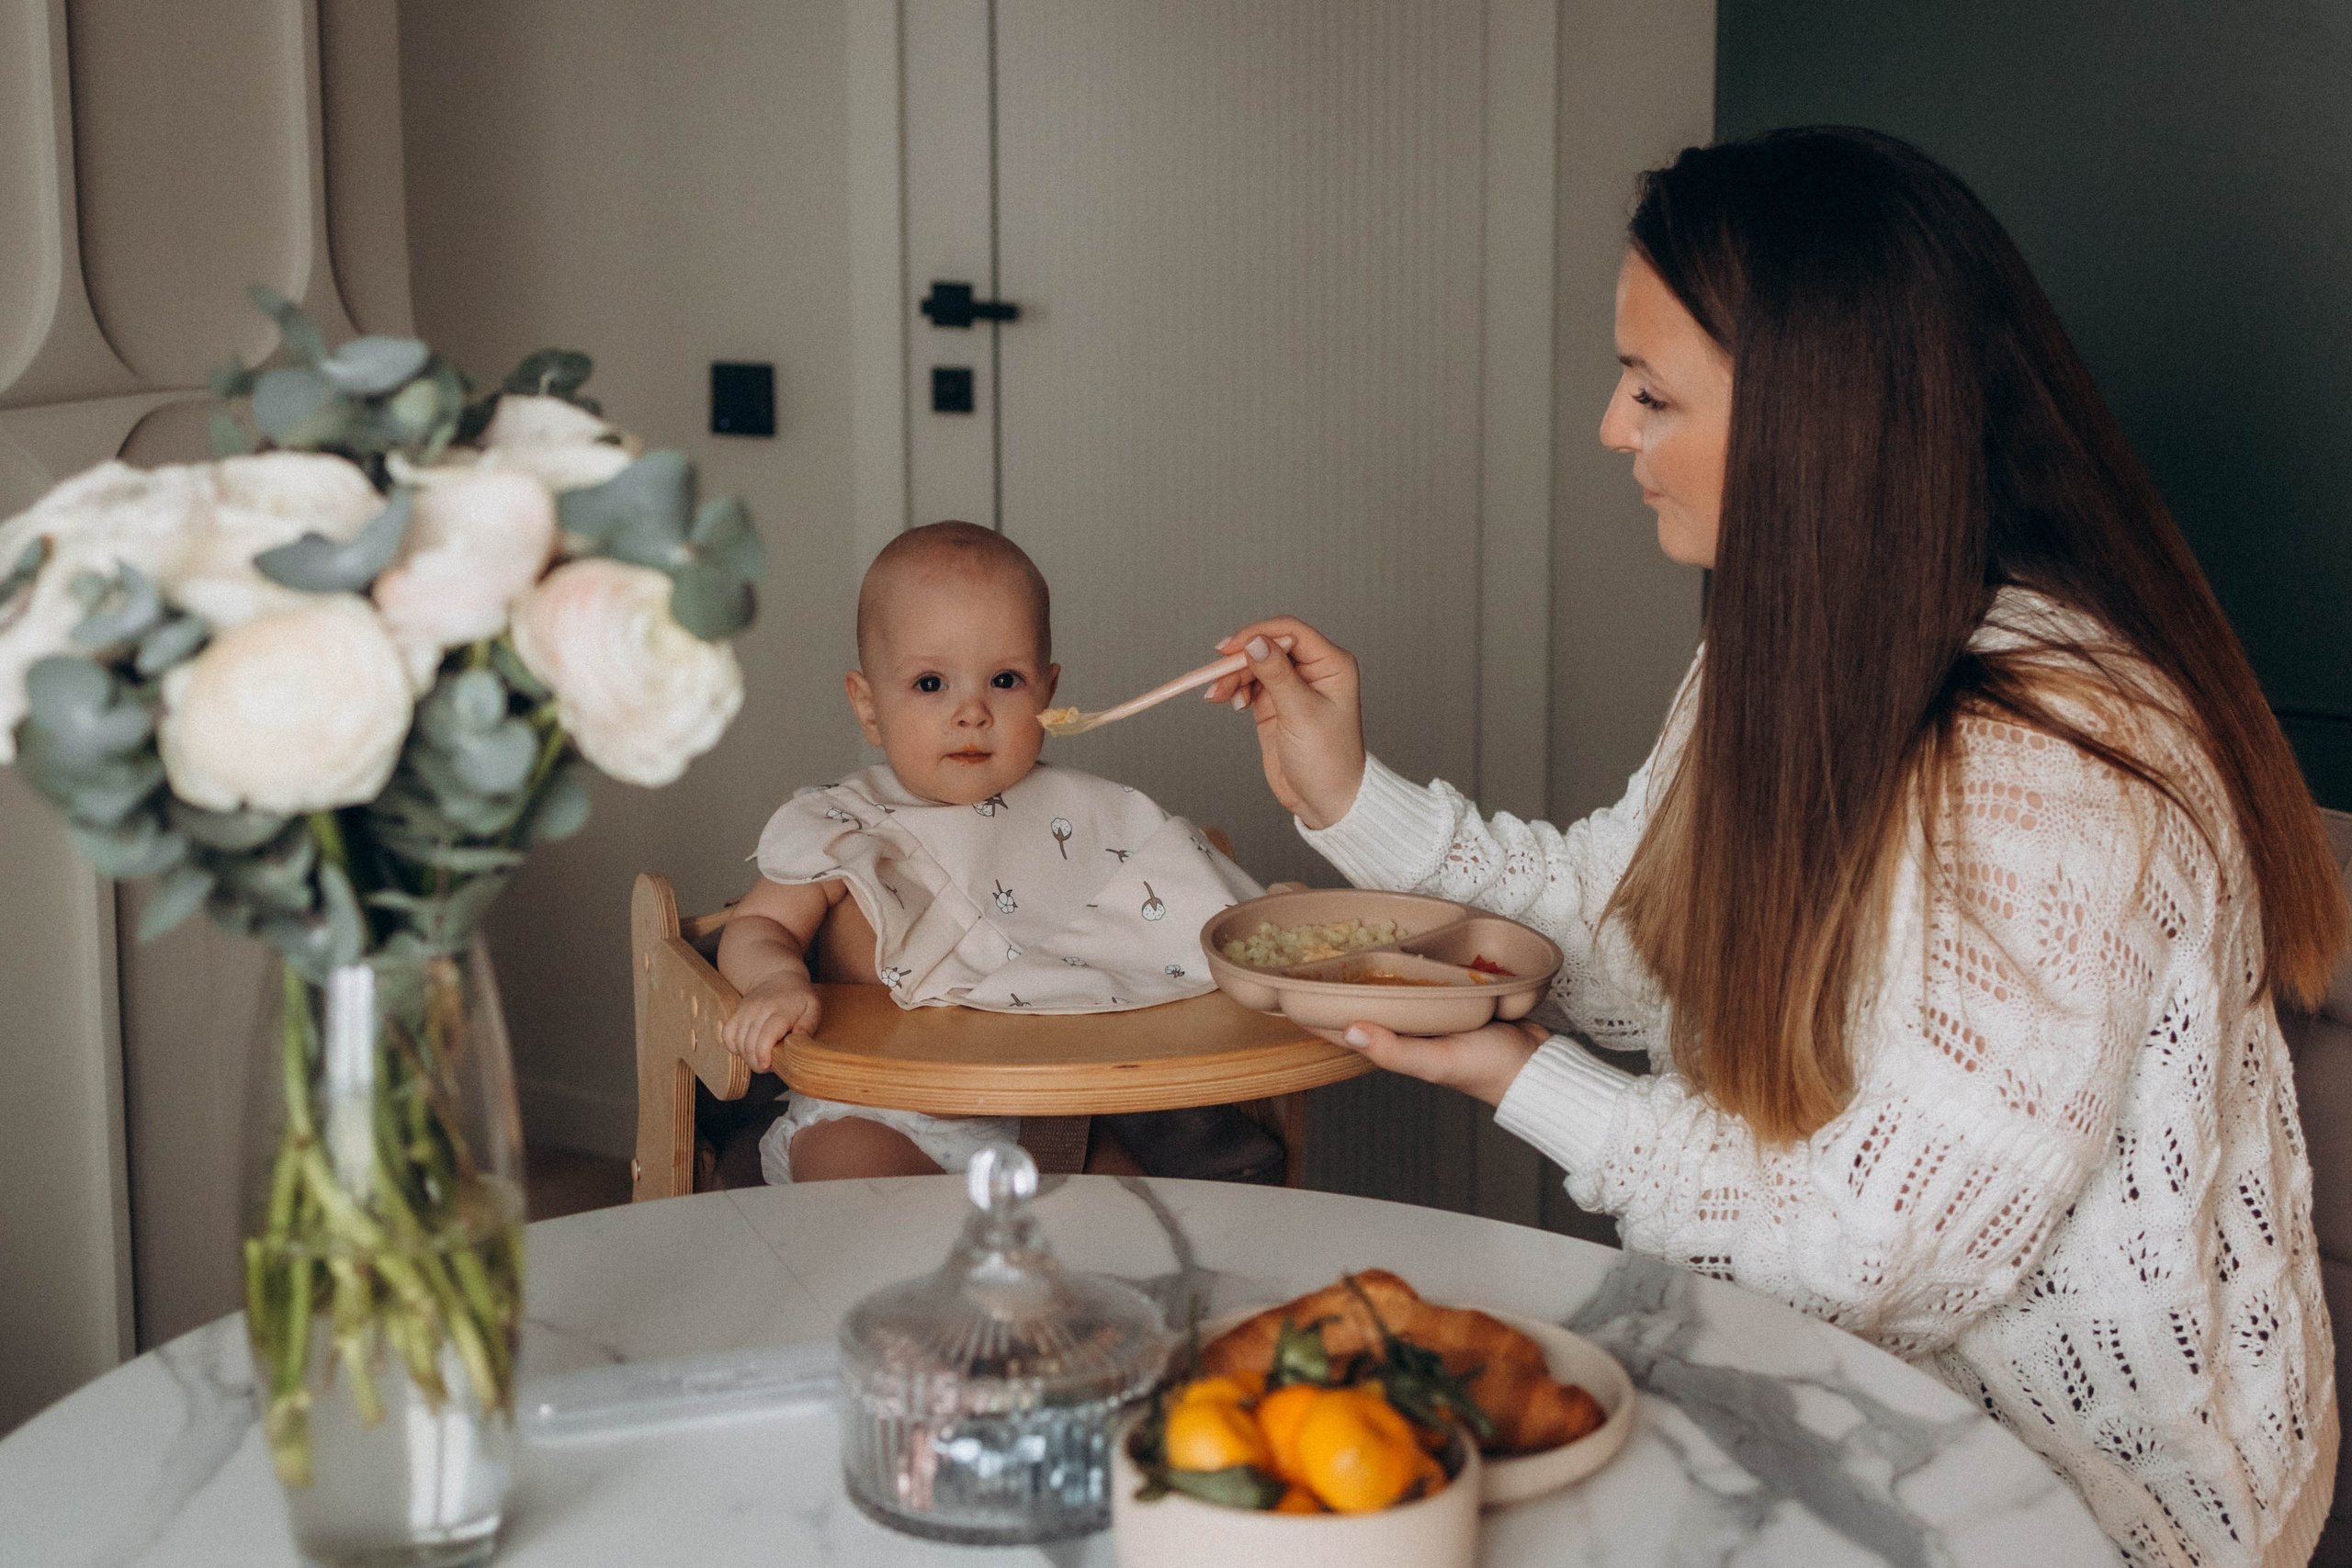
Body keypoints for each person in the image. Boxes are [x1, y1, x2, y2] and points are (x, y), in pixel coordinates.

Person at [1206, 129, 2348, 1568]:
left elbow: (1888, 1251)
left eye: (1651, 390)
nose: (1611, 430)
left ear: (1820, 420)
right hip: (1830, 1394)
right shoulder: (1806, 640)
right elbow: (1638, 952)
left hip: (2080, 1498)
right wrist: (1354, 793)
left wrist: (1518, 1073)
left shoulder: (2057, 758)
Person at [718, 522, 1263, 1183]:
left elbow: (1171, 904)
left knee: (1140, 1218)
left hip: (1048, 1115)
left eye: (1005, 679)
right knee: (857, 1196)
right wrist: (776, 978)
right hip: (876, 1112)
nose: (971, 711)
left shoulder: (1084, 816)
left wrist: (1263, 928)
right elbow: (760, 924)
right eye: (929, 685)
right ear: (867, 705)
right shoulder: (846, 823)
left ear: (1049, 693)